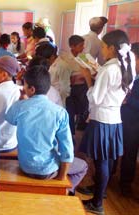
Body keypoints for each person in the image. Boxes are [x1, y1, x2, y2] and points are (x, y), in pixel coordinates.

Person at [5, 65, 88, 196]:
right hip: (47, 170)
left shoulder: (20, 107)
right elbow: (67, 150)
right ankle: (65, 191)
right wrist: (61, 179)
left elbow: (9, 118)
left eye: (24, 86)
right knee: (83, 166)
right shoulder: (59, 112)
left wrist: (21, 100)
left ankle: (57, 191)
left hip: (25, 166)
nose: (23, 88)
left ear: (31, 89)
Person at [79, 30, 134, 215]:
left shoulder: (108, 70)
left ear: (111, 48)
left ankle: (97, 203)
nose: (101, 50)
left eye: (103, 46)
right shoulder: (126, 66)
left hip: (102, 119)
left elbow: (95, 98)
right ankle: (100, 192)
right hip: (115, 119)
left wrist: (88, 78)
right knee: (108, 159)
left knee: (101, 161)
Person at [119, 42, 139, 196]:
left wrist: (127, 99)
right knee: (115, 150)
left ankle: (125, 183)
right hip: (122, 118)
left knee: (130, 154)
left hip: (133, 122)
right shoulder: (129, 72)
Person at [64, 35, 89, 134]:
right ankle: (72, 130)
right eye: (80, 46)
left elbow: (92, 71)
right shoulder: (65, 58)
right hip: (71, 87)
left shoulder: (84, 57)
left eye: (83, 45)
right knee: (71, 109)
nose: (83, 48)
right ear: (72, 46)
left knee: (84, 105)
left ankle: (81, 122)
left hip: (83, 86)